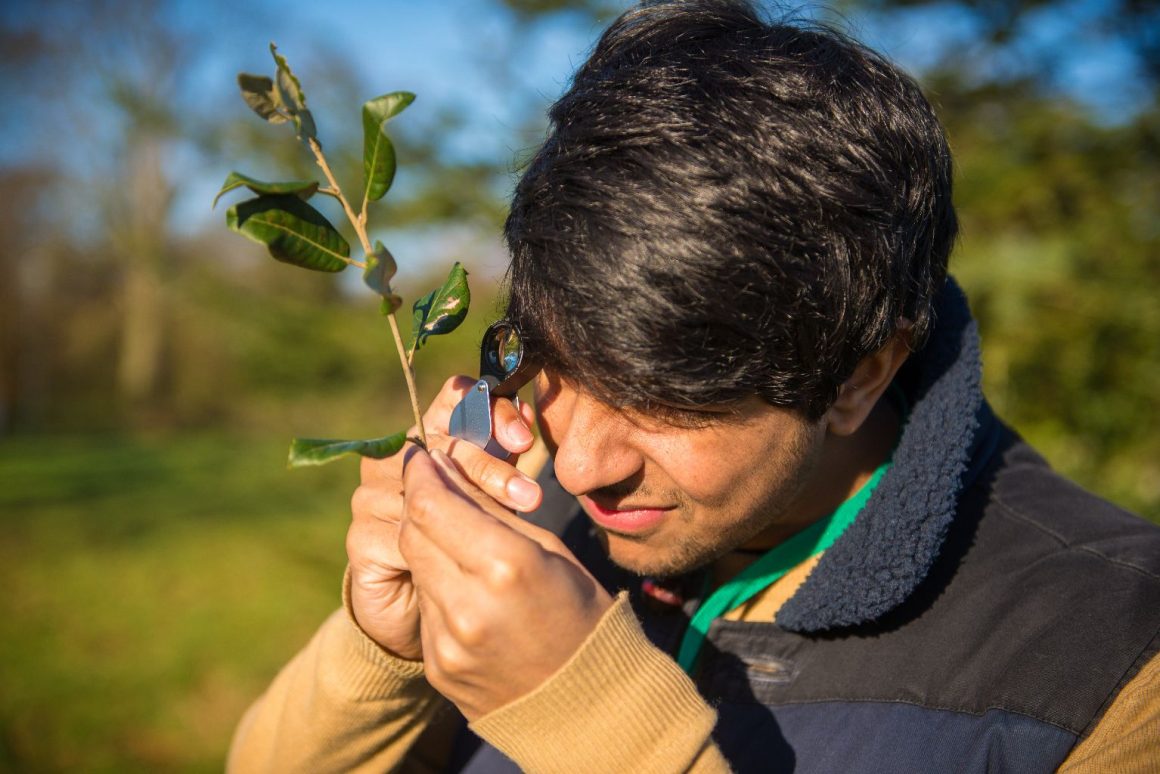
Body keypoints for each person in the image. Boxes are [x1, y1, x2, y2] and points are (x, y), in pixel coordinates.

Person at [227, 1, 1160, 771]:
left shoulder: (1114, 666)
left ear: (859, 372)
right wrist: (386, 653)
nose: (583, 467)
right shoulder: (532, 526)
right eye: (555, 363)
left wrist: (590, 724)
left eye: (671, 399)